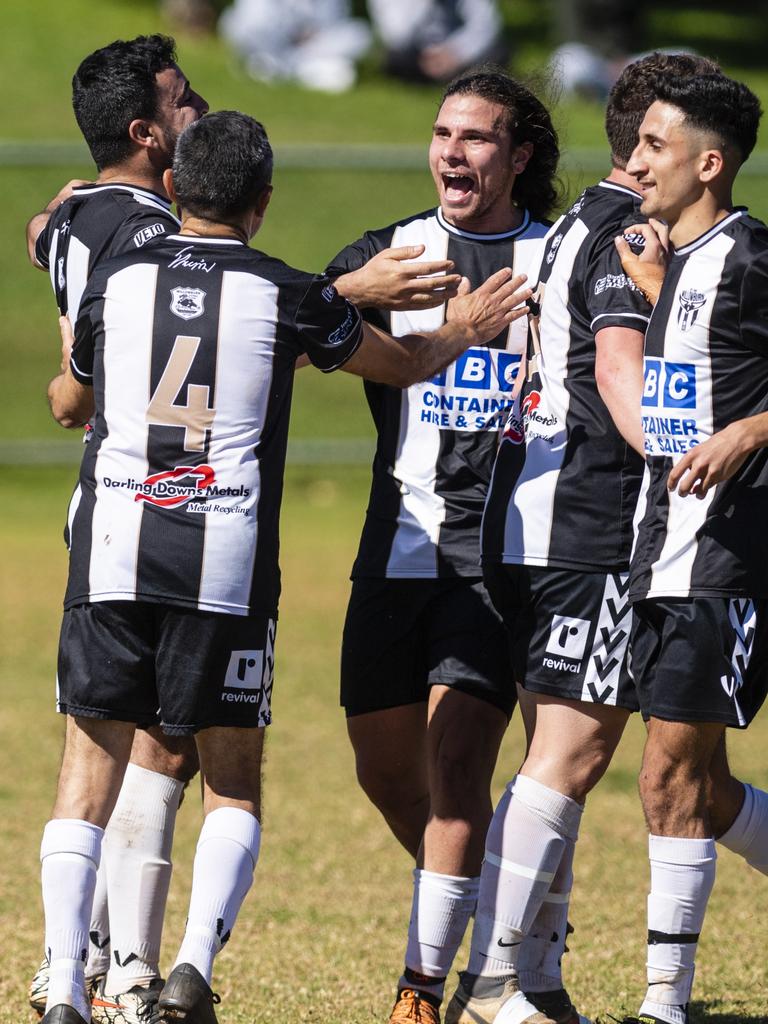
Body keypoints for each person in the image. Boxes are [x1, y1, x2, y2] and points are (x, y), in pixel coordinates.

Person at [39, 108, 531, 1024]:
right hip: (222, 562)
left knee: (86, 771)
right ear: (264, 203)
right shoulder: (287, 292)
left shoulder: (114, 279)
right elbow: (397, 364)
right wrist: (459, 326)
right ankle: (189, 966)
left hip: (109, 550)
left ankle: (68, 983)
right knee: (231, 775)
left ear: (176, 188)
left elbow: (74, 391)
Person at [443, 53, 739, 1024]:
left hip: (543, 513)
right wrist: (677, 460)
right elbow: (619, 370)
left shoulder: (580, 216)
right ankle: (494, 977)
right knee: (571, 750)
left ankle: (526, 973)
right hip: (602, 520)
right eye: (658, 136)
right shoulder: (629, 229)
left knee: (604, 761)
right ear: (646, 142)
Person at [326, 68, 579, 1024]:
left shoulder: (554, 260)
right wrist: (353, 287)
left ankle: (424, 988)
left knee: (460, 760)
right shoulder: (395, 254)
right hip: (395, 542)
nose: (452, 153)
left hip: (501, 556)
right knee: (386, 770)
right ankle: (504, 920)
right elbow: (294, 314)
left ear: (518, 157)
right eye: (443, 134)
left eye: (476, 138)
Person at [25, 34, 208, 1024]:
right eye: (183, 102)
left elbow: (55, 230)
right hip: (160, 505)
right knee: (152, 745)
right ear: (144, 133)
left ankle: (83, 968)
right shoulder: (149, 236)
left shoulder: (79, 218)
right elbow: (94, 374)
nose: (200, 111)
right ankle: (113, 968)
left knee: (112, 743)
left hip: (105, 505)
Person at [612, 72, 768, 1024]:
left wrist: (752, 432)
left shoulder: (754, 257)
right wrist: (659, 291)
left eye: (654, 148)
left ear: (708, 164)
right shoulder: (677, 262)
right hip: (657, 548)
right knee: (701, 790)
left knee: (666, 777)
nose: (633, 162)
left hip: (727, 555)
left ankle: (661, 1008)